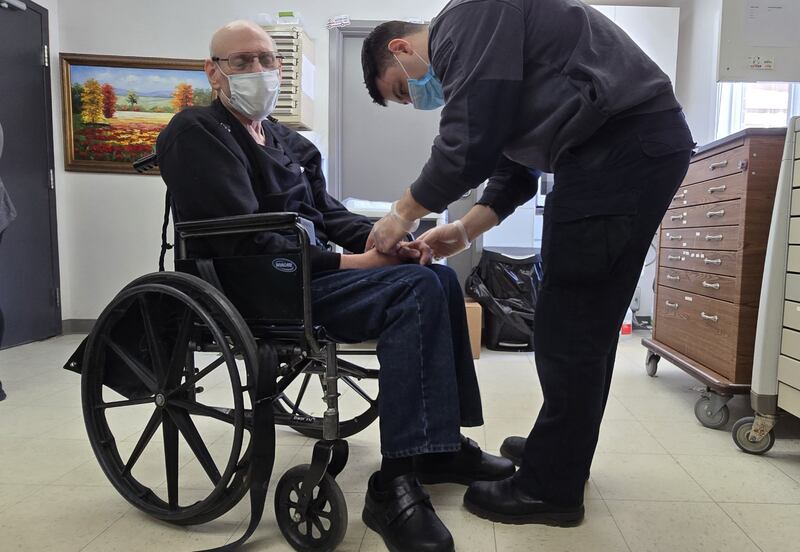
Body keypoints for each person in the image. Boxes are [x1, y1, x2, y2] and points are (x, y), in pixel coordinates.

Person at [156, 20, 514, 552]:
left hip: (309, 271)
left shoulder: (289, 142)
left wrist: (394, 240)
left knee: (435, 276)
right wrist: (355, 263)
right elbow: (241, 238)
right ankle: (392, 486)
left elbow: (327, 215)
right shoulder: (195, 132)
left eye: (266, 60)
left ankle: (437, 448)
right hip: (256, 283)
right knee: (413, 292)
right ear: (213, 72)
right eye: (241, 62)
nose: (258, 70)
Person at [361, 0, 695, 526]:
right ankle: (558, 454)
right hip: (617, 149)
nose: (417, 99)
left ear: (400, 49)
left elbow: (470, 139)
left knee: (571, 322)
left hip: (618, 150)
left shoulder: (467, 18)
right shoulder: (486, 34)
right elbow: (511, 159)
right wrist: (463, 230)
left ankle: (550, 488)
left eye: (403, 88)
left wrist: (402, 213)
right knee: (583, 319)